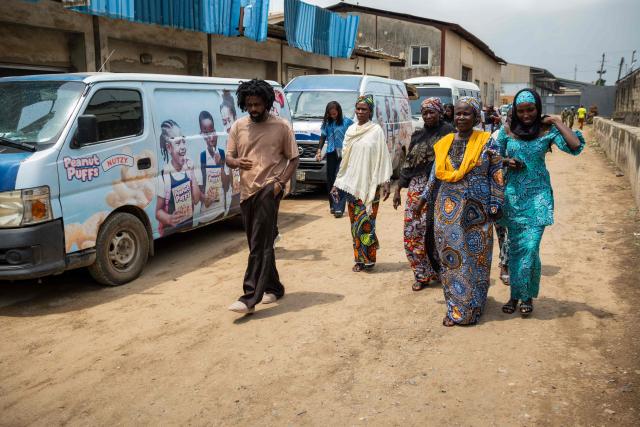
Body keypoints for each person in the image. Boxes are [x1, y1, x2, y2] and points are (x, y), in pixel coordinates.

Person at [415, 97, 504, 326]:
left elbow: (496, 173)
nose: (461, 117)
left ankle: (475, 303)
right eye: (458, 114)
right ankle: (457, 309)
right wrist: (423, 199)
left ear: (476, 117)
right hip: (448, 211)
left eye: (467, 114)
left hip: (478, 210)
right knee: (452, 259)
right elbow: (435, 175)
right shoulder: (445, 142)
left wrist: (496, 203)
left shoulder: (487, 142)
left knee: (477, 259)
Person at [495, 89, 584, 316]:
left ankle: (525, 296)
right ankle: (516, 296)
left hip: (539, 197)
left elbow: (575, 145)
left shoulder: (547, 130)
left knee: (531, 246)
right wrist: (507, 161)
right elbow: (492, 156)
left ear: (538, 108)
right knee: (516, 249)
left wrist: (556, 121)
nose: (526, 114)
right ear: (514, 111)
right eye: (521, 110)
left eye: (531, 109)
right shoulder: (506, 131)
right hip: (513, 197)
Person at [225, 79, 299, 314]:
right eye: (249, 104)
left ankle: (249, 297)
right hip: (247, 192)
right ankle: (274, 287)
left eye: (257, 104)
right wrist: (236, 162)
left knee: (259, 244)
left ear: (267, 102)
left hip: (269, 189)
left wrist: (280, 183)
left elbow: (293, 158)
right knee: (259, 242)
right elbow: (228, 157)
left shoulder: (282, 126)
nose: (254, 109)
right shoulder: (238, 126)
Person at [393, 97, 454, 291]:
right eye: (425, 112)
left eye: (432, 112)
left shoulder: (449, 133)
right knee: (412, 232)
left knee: (438, 233)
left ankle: (440, 271)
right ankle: (421, 274)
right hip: (416, 189)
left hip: (441, 188)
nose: (428, 116)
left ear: (440, 112)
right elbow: (409, 164)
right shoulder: (418, 135)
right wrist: (398, 189)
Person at [332, 95, 393, 272]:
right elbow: (345, 161)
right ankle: (359, 259)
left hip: (370, 186)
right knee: (355, 225)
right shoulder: (350, 131)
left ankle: (370, 259)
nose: (360, 112)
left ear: (370, 111)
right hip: (352, 185)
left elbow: (383, 158)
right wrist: (338, 182)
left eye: (364, 109)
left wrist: (386, 182)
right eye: (358, 109)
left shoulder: (376, 131)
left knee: (367, 223)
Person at [156, 120, 201, 236]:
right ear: (169, 148)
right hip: (172, 230)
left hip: (188, 226)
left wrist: (192, 172)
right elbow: (158, 212)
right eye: (177, 143)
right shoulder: (164, 176)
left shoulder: (188, 168)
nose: (182, 147)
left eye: (183, 141)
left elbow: (196, 199)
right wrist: (169, 218)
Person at [315, 101, 353, 218]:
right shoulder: (327, 123)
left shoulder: (347, 122)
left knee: (339, 179)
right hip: (331, 153)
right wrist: (319, 150)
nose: (333, 116)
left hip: (343, 154)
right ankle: (333, 205)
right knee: (330, 180)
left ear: (338, 111)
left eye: (334, 113)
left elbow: (354, 134)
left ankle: (339, 208)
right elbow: (323, 137)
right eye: (330, 114)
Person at [197, 111, 231, 223]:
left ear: (216, 132)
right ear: (201, 134)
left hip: (221, 210)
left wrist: (219, 164)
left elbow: (226, 186)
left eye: (212, 131)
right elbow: (198, 190)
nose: (210, 137)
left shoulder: (222, 153)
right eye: (206, 133)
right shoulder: (201, 156)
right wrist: (204, 198)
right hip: (204, 213)